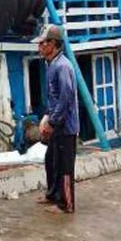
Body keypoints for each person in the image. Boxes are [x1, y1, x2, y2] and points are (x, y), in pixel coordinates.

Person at [34, 25, 79, 214]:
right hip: (56, 122)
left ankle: (66, 204)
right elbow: (53, 97)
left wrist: (53, 122)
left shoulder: (62, 66)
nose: (39, 47)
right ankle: (52, 194)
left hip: (65, 127)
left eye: (42, 43)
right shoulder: (52, 64)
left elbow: (65, 97)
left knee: (64, 167)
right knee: (51, 160)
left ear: (53, 44)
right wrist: (47, 117)